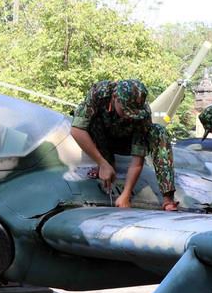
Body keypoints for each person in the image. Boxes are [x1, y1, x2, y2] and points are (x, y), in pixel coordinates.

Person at [70, 79, 178, 211]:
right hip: (103, 138)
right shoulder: (100, 92)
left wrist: (126, 194)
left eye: (133, 113)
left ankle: (168, 199)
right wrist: (102, 163)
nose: (128, 116)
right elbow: (77, 130)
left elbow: (137, 159)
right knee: (92, 120)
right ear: (115, 97)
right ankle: (108, 163)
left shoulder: (142, 113)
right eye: (125, 110)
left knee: (159, 132)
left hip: (127, 142)